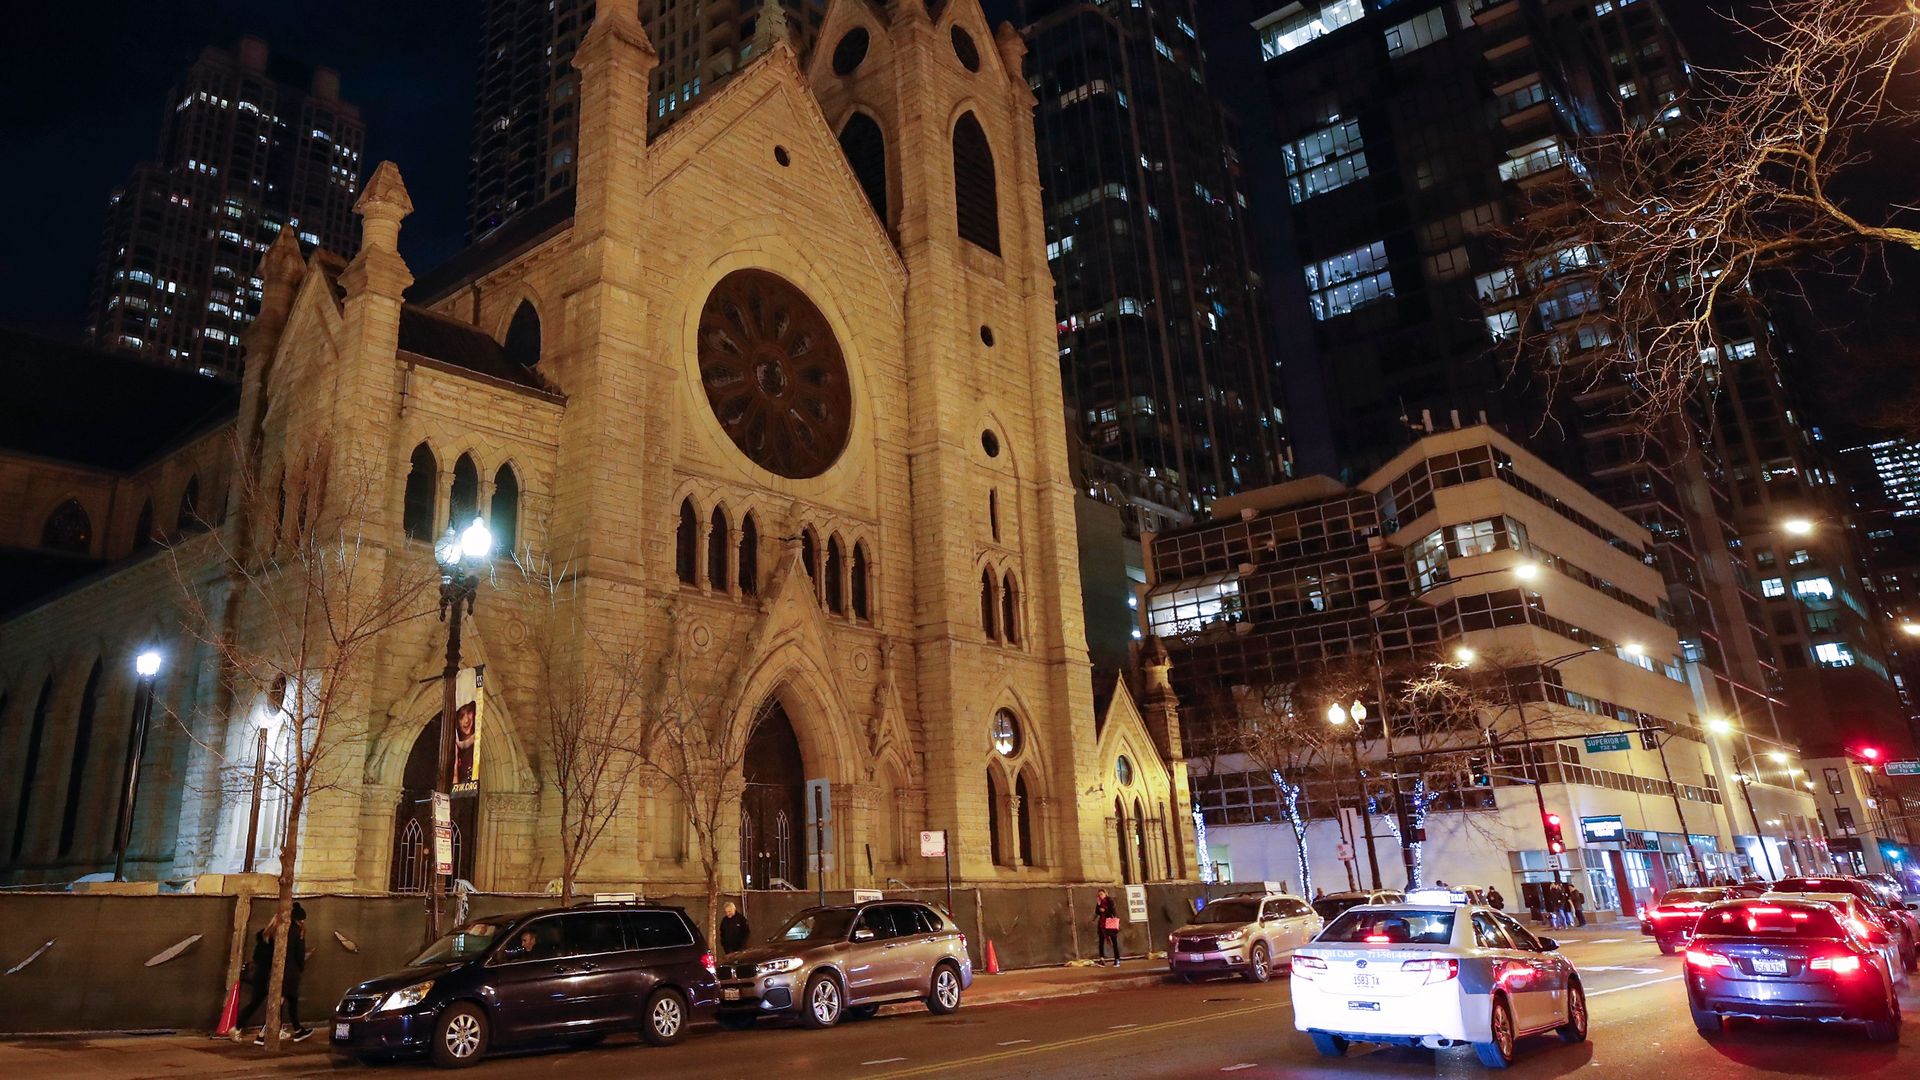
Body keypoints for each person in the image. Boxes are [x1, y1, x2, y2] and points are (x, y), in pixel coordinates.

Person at [1093, 889, 1121, 966]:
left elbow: (1113, 913)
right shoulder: (1099, 902)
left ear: (1105, 894)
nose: (1100, 896)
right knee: (1101, 942)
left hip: (1110, 923)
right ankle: (1102, 959)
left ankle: (1117, 959)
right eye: (1099, 895)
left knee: (1114, 942)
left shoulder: (1110, 901)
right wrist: (1098, 905)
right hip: (1102, 924)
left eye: (1101, 894)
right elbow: (1097, 912)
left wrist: (1105, 910)